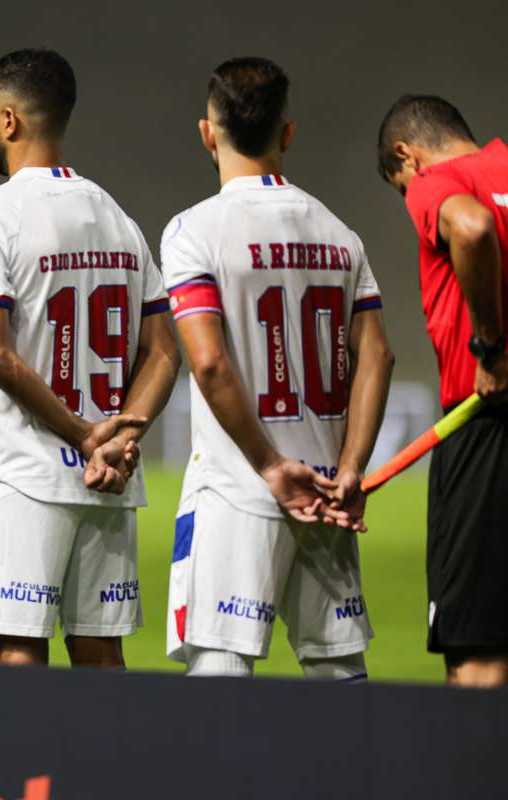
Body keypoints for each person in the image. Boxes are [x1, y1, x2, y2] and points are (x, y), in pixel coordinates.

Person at [163, 57, 394, 679]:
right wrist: (349, 469)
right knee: (341, 673)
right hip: (325, 494)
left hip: (243, 488)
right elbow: (377, 355)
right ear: (286, 134)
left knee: (220, 671)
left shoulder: (193, 232)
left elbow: (209, 363)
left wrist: (269, 465)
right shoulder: (341, 234)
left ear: (207, 133)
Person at [0, 49, 181, 666]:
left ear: (9, 121)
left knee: (17, 649)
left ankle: (24, 768)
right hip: (106, 483)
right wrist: (121, 438)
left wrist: (86, 436)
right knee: (99, 651)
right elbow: (163, 352)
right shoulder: (117, 217)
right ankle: (104, 768)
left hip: (22, 476)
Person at [377, 95, 508, 687]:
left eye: (400, 186)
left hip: (486, 428)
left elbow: (473, 227)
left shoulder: (438, 181)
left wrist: (491, 347)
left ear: (407, 155)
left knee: (477, 655)